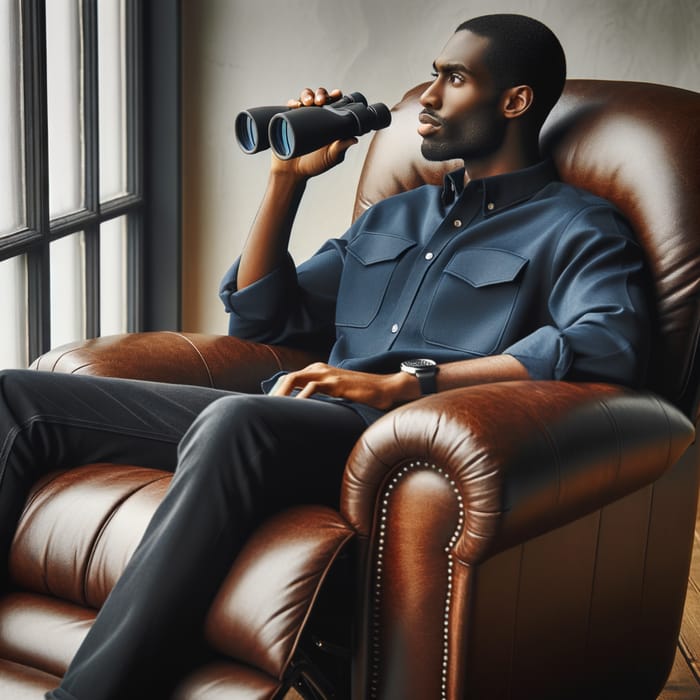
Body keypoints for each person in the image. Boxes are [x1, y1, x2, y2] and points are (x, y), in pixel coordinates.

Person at [0, 14, 648, 700]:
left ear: (515, 102)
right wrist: (287, 179)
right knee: (18, 396)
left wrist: (410, 384)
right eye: (433, 74)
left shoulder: (578, 225)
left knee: (238, 423)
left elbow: (606, 342)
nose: (426, 97)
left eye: (453, 79)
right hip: (287, 415)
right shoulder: (395, 216)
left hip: (390, 444)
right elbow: (260, 312)